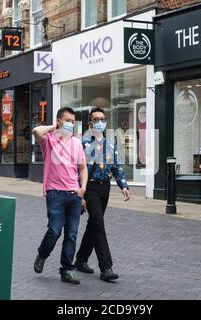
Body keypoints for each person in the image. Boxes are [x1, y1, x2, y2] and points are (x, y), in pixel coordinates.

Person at [32, 107, 88, 285]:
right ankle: (42, 254)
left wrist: (83, 189)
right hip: (55, 193)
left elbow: (82, 168)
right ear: (59, 121)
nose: (71, 124)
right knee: (55, 231)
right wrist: (53, 126)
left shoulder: (77, 143)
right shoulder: (48, 140)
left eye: (73, 121)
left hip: (74, 194)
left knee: (71, 234)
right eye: (68, 120)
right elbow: (36, 131)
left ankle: (67, 270)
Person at [74, 107, 130, 282]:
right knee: (98, 224)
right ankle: (106, 267)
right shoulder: (81, 143)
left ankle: (81, 260)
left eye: (103, 119)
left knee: (93, 224)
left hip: (104, 188)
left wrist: (123, 185)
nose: (100, 122)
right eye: (96, 119)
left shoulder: (109, 143)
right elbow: (75, 170)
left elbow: (115, 167)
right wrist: (80, 194)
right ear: (90, 122)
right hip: (88, 188)